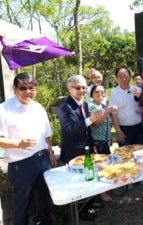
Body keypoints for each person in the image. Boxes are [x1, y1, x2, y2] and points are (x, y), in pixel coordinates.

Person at [0, 73, 56, 225]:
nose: (28, 91)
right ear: (14, 89)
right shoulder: (4, 109)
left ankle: (43, 222)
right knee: (21, 205)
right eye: (23, 88)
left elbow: (47, 135)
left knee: (44, 197)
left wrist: (50, 153)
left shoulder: (38, 107)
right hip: (21, 164)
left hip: (43, 158)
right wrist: (18, 144)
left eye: (31, 88)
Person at [58, 75, 103, 221]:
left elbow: (87, 129)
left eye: (84, 87)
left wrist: (92, 145)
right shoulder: (65, 107)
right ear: (69, 88)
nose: (82, 90)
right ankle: (80, 211)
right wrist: (91, 119)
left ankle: (89, 203)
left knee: (90, 176)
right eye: (78, 87)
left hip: (86, 147)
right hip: (73, 150)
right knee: (77, 182)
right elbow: (70, 129)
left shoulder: (83, 104)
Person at [89, 84, 116, 202]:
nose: (100, 94)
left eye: (102, 92)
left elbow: (109, 124)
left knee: (107, 166)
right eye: (97, 92)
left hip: (106, 141)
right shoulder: (91, 106)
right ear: (92, 94)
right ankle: (101, 193)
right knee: (99, 167)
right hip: (97, 142)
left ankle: (106, 187)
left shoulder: (104, 105)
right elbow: (97, 123)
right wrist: (107, 111)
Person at [109, 67, 143, 147]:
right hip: (123, 130)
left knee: (140, 153)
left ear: (130, 77)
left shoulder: (136, 90)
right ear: (116, 78)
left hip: (139, 128)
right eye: (120, 76)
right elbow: (113, 114)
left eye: (125, 76)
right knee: (125, 155)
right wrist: (118, 131)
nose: (123, 79)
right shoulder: (114, 93)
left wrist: (142, 107)